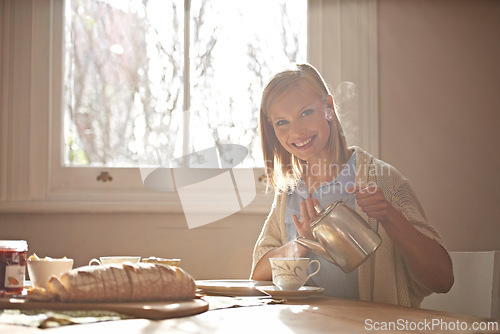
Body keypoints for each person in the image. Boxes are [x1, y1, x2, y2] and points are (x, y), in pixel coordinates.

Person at [250, 63, 453, 308]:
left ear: (329, 109)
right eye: (282, 122)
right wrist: (301, 243)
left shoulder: (382, 179)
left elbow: (442, 280)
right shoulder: (288, 192)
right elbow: (258, 274)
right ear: (272, 128)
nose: (297, 131)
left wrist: (388, 215)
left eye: (305, 113)